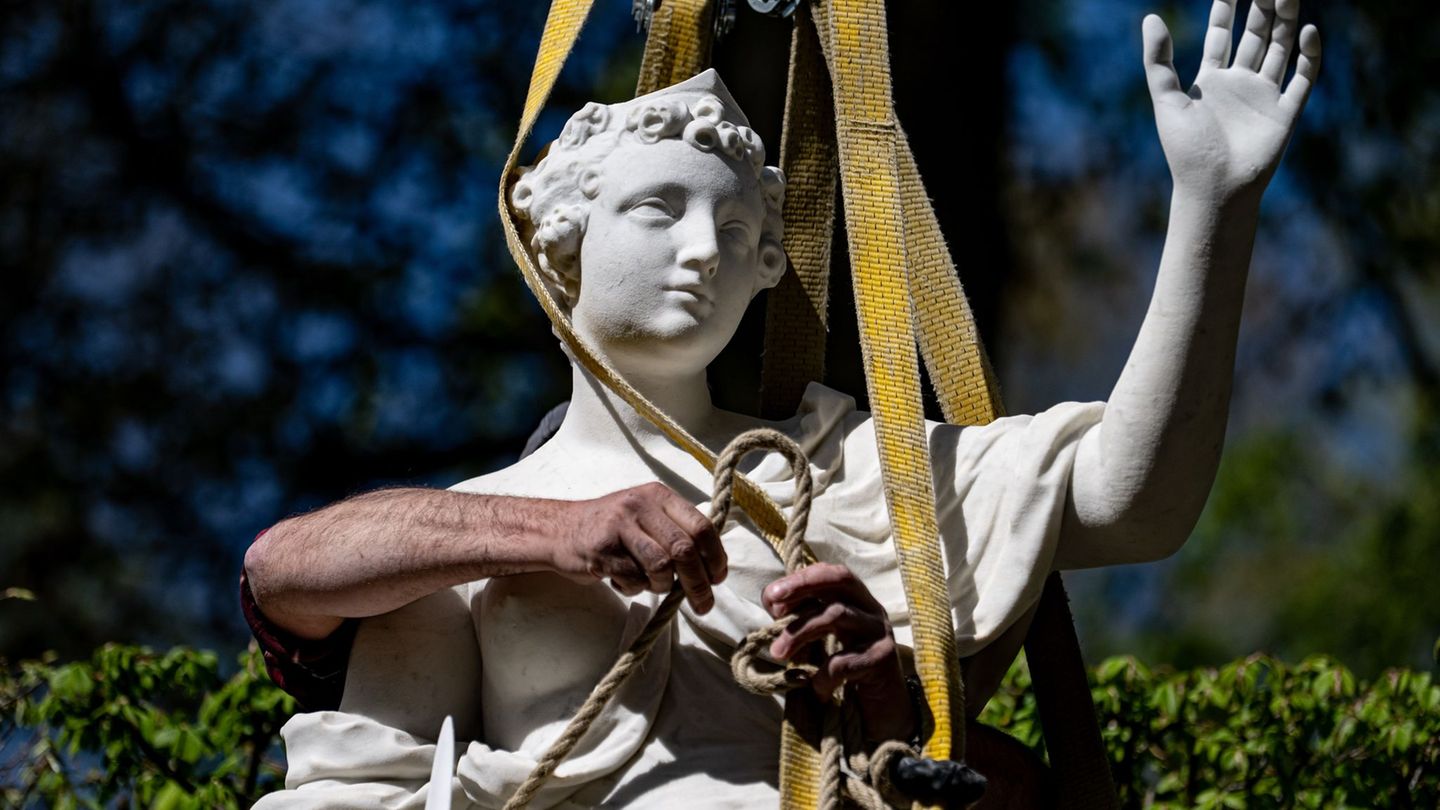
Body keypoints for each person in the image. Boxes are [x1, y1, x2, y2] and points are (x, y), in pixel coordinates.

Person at [247, 4, 1321, 806]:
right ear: (563, 239)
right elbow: (285, 571)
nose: (703, 250)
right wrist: (561, 531)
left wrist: (1213, 209)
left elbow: (1134, 502)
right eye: (658, 210)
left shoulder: (848, 467)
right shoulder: (473, 541)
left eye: (732, 230)